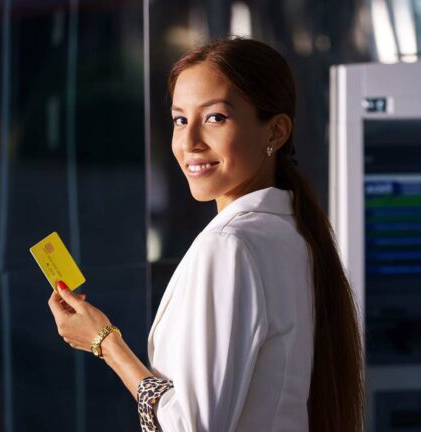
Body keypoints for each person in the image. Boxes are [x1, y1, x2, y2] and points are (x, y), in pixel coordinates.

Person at [48, 36, 364, 431]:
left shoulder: (231, 245)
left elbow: (191, 427)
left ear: (276, 132)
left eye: (215, 117)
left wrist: (105, 343)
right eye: (181, 119)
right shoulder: (291, 229)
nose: (190, 142)